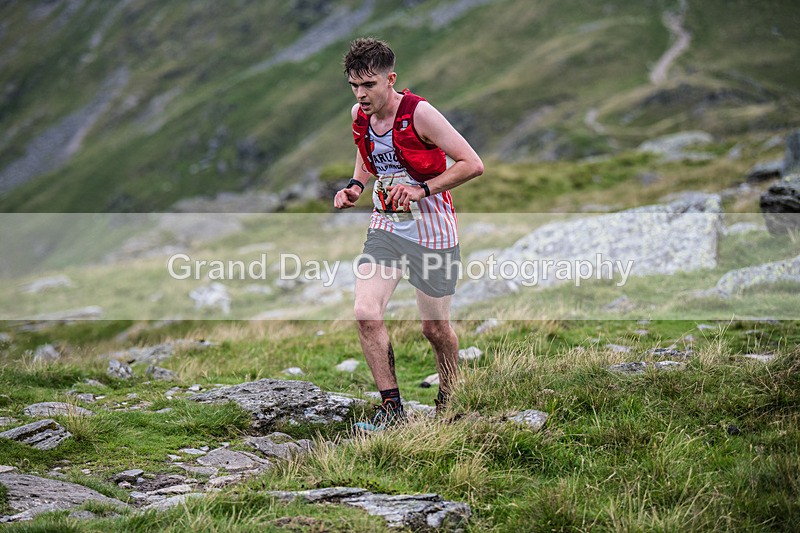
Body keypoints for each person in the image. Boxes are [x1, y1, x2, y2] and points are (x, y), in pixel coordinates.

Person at [334, 38, 484, 432]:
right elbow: (368, 157)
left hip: (432, 225)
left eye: (369, 85)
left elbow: (473, 164)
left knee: (434, 328)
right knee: (366, 313)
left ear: (391, 79)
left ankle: (450, 399)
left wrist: (422, 189)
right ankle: (392, 411)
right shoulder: (360, 115)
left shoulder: (421, 114)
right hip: (387, 224)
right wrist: (354, 185)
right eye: (354, 85)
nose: (361, 94)